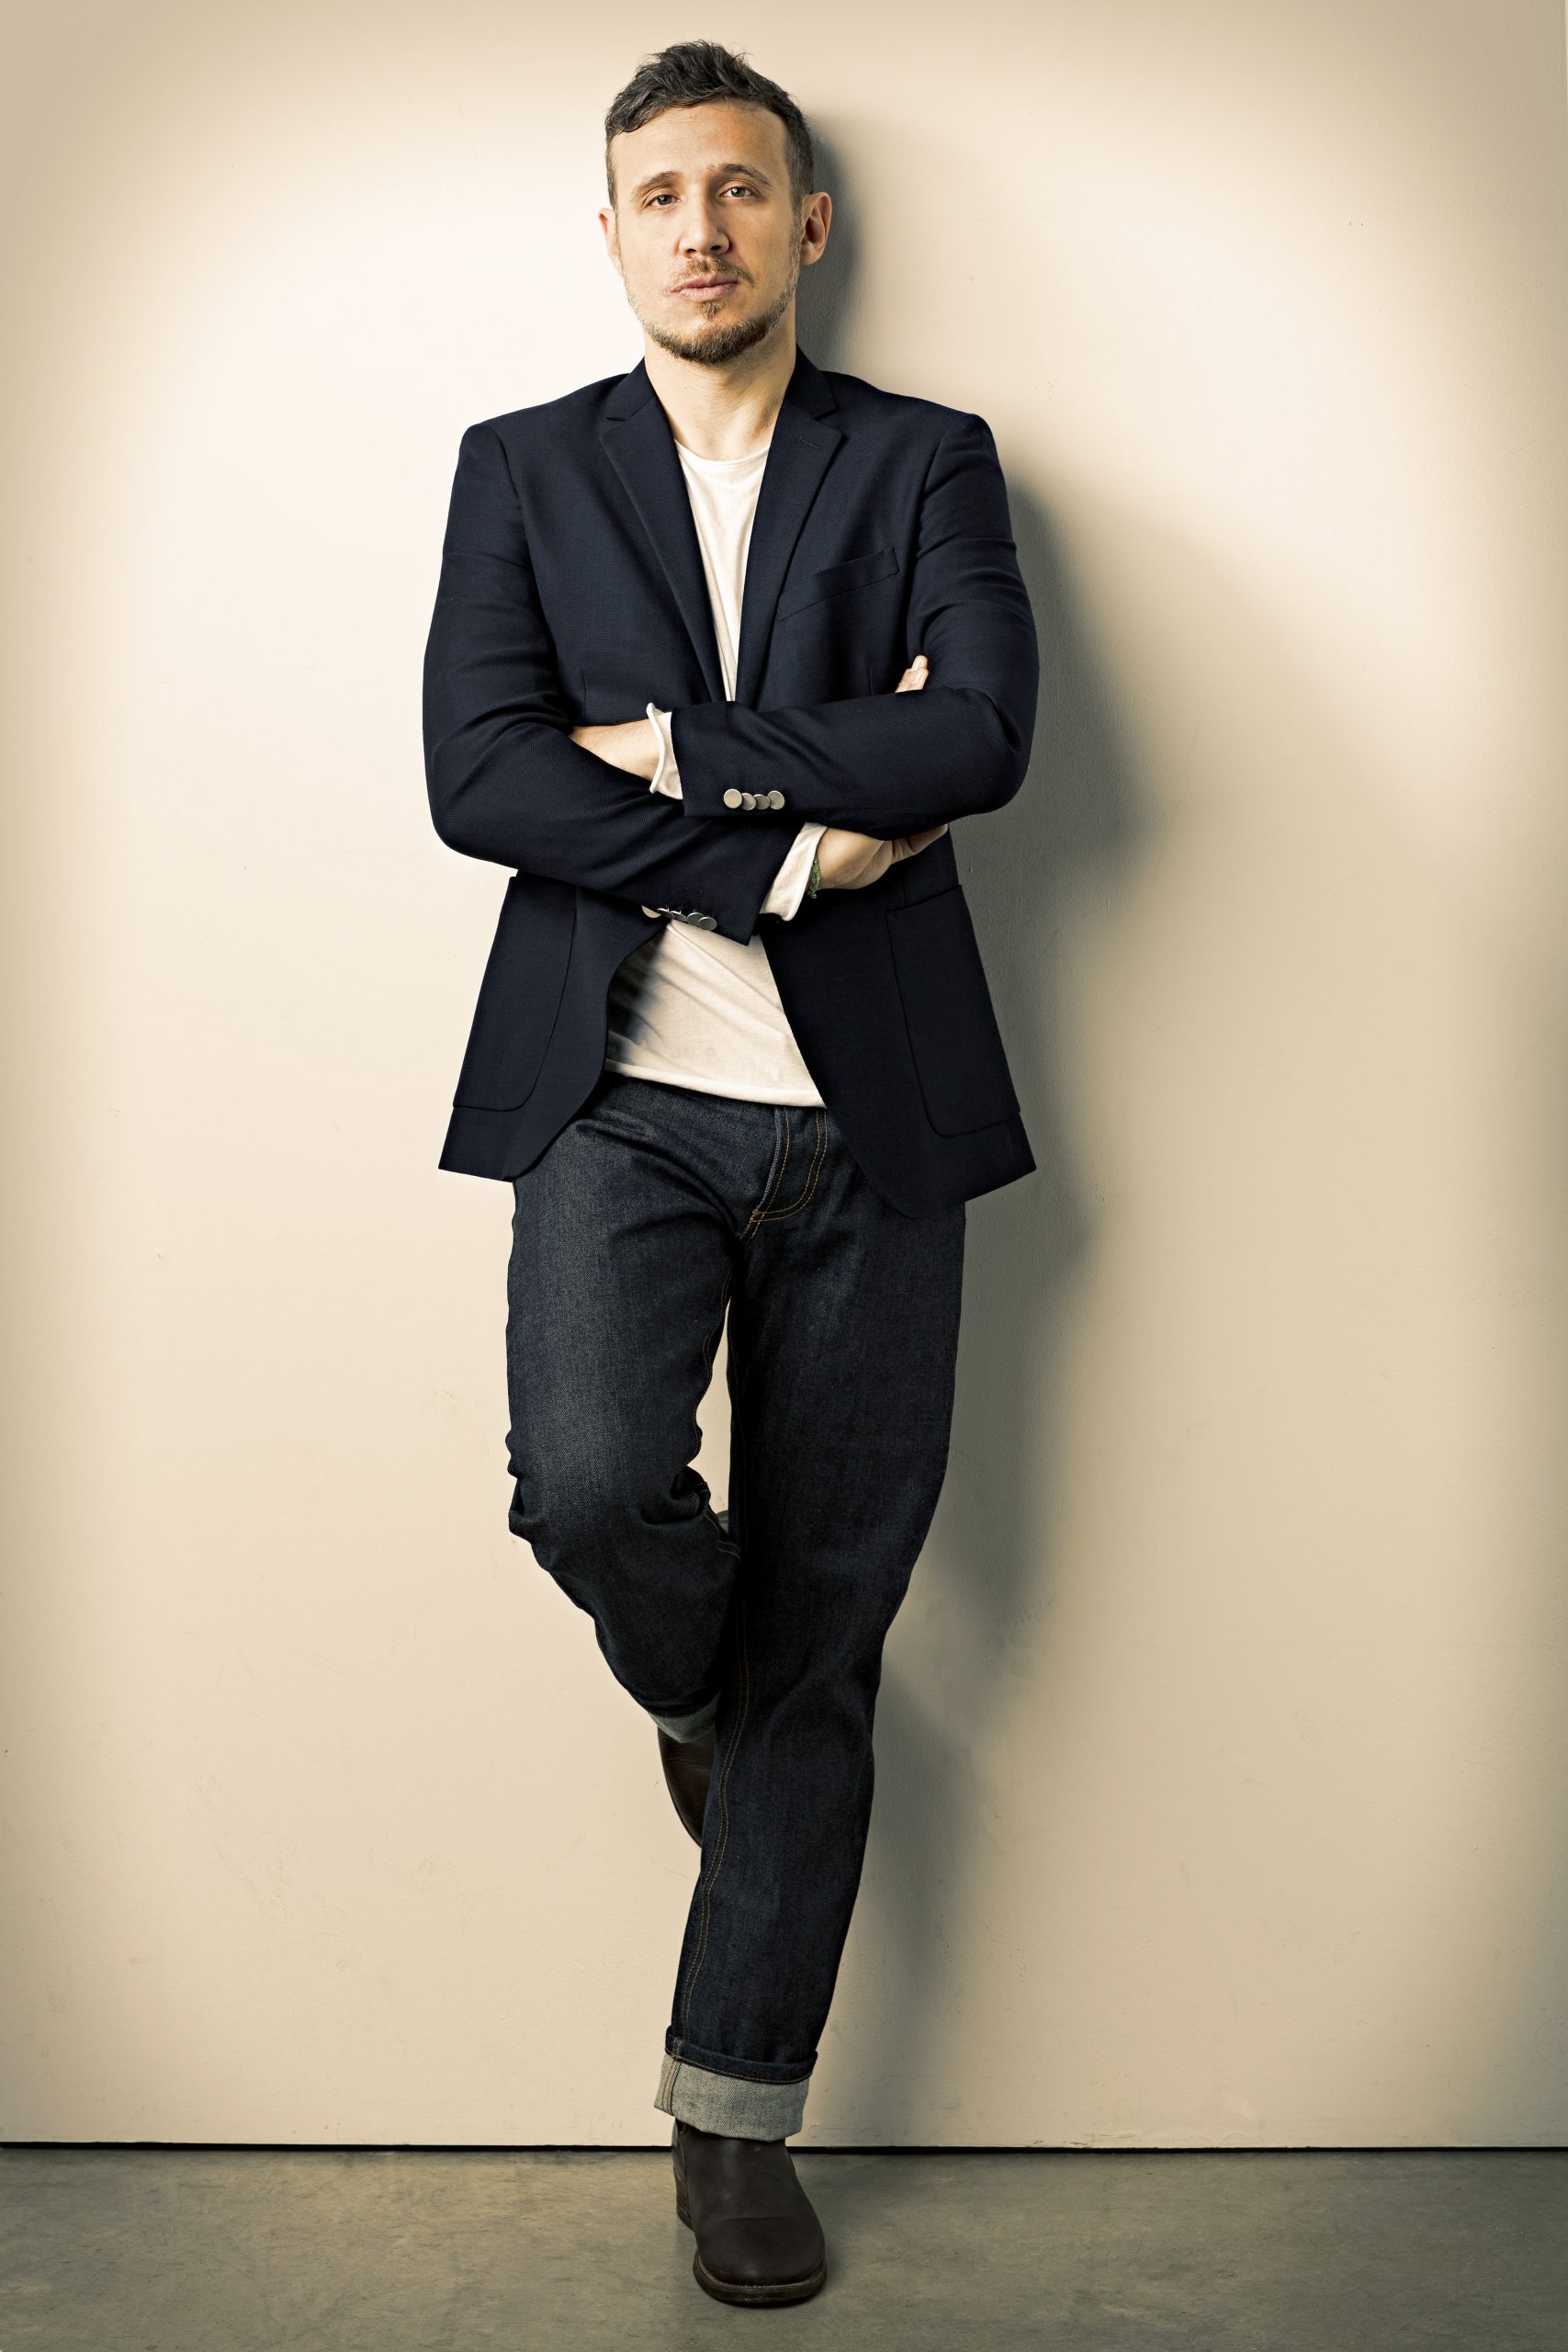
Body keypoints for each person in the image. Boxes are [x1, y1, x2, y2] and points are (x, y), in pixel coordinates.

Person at [422, 37, 1039, 2309]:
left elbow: (981, 729)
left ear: (806, 224)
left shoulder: (927, 456)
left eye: (739, 189)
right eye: (660, 194)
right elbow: (478, 773)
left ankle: (733, 2121)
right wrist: (794, 843)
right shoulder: (519, 468)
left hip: (876, 1115)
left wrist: (676, 744)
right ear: (611, 235)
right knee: (594, 1489)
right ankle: (696, 1693)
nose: (701, 227)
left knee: (833, 1628)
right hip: (617, 1095)